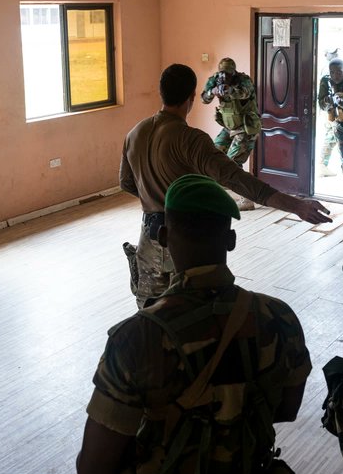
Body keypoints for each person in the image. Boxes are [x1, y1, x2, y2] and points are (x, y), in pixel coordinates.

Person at [77, 174, 312, 474]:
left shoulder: (135, 337)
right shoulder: (279, 316)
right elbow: (287, 409)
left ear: (163, 236)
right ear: (230, 241)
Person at [120, 63, 331, 308]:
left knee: (150, 315)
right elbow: (236, 179)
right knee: (194, 313)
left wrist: (152, 196)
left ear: (161, 93)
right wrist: (296, 206)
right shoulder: (191, 140)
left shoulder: (134, 133)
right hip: (185, 243)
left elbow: (126, 183)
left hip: (148, 242)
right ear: (191, 97)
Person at [200, 57, 261, 167]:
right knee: (212, 156)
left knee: (232, 164)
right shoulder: (215, 79)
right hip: (229, 127)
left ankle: (236, 178)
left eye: (228, 74)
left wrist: (230, 90)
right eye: (222, 73)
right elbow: (204, 99)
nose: (224, 77)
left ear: (233, 72)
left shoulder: (243, 80)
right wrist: (212, 91)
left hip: (246, 127)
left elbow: (245, 93)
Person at [316, 54, 343, 186]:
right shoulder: (326, 81)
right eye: (332, 72)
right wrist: (327, 102)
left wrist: (341, 102)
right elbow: (321, 105)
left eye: (339, 72)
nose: (335, 76)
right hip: (338, 122)